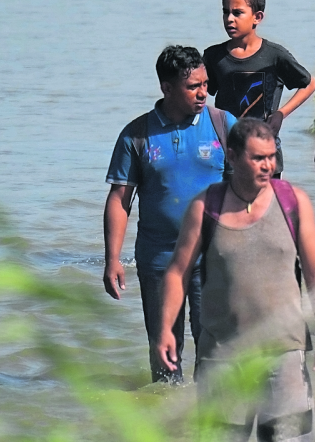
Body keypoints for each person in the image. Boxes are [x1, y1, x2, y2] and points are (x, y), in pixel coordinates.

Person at [156, 119, 315, 441]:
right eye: (257, 158)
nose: (267, 165)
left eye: (271, 157)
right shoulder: (204, 207)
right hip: (223, 352)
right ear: (232, 157)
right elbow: (177, 272)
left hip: (285, 351)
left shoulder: (294, 202)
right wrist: (166, 330)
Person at [103, 45, 236, 383]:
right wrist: (112, 259)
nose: (204, 92)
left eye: (206, 83)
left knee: (215, 354)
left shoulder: (224, 124)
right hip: (158, 259)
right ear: (167, 87)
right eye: (194, 86)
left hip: (213, 258)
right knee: (164, 361)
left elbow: (254, 189)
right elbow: (120, 199)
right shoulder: (137, 135)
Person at [204, 0, 315, 177]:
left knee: (266, 207)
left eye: (237, 13)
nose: (229, 18)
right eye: (225, 12)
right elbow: (201, 95)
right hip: (227, 150)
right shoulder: (214, 56)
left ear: (257, 17)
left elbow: (309, 84)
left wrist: (281, 114)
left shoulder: (274, 55)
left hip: (265, 149)